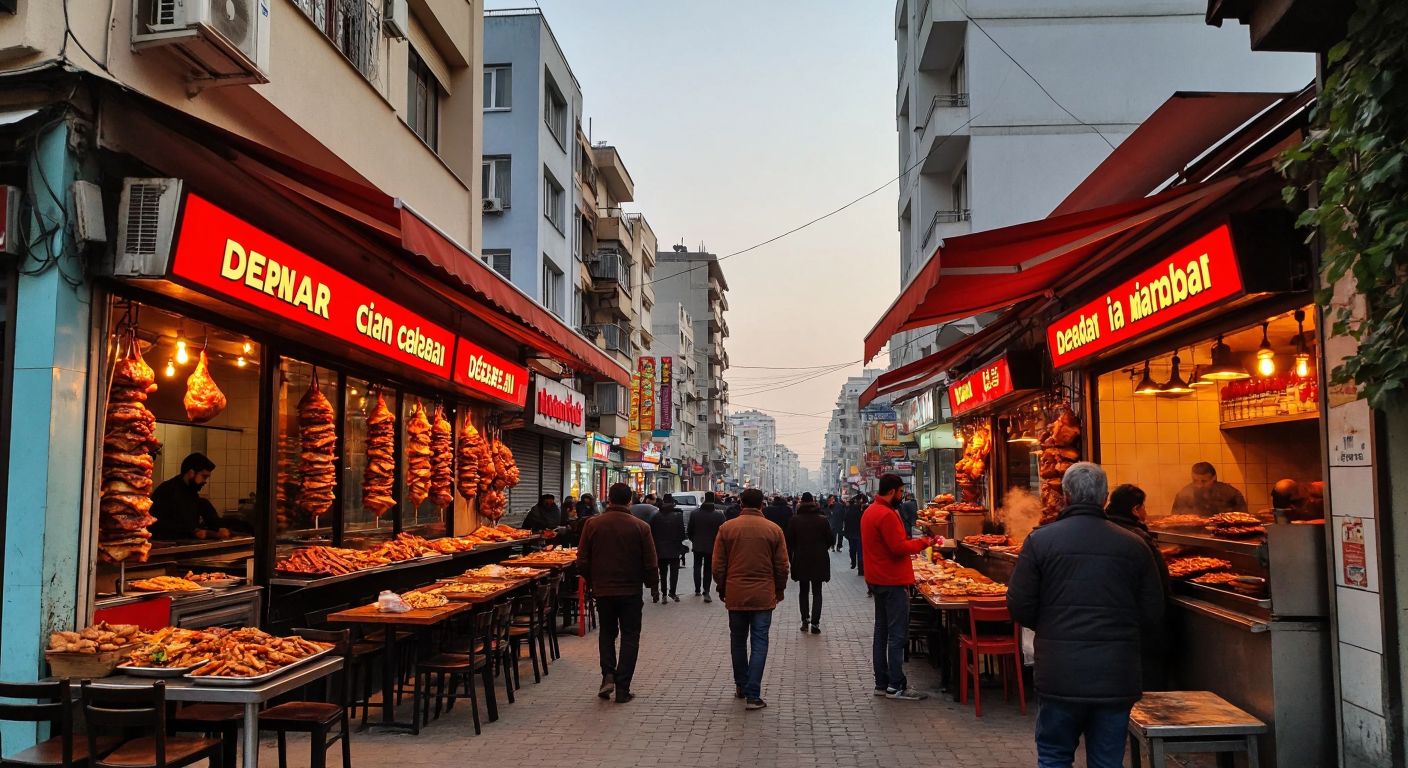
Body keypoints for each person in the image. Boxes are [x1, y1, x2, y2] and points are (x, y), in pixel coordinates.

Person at [1007, 463, 1165, 768]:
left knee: (1054, 756)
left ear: (1065, 496)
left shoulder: (1039, 541)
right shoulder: (1135, 545)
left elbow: (1019, 605)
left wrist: (1052, 626)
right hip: (1115, 674)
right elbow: (1152, 611)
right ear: (1104, 498)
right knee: (1107, 760)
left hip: (1059, 672)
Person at [576, 483, 660, 704]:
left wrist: (593, 581)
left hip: (603, 591)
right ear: (629, 501)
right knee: (630, 637)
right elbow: (651, 562)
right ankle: (623, 688)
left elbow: (582, 560)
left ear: (609, 499)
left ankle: (608, 675)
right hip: (631, 591)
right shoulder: (641, 527)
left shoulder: (593, 524)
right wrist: (653, 586)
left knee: (607, 633)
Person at [862, 474, 940, 700]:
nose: (902, 495)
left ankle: (882, 683)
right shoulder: (886, 514)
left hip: (877, 579)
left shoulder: (870, 511)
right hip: (892, 581)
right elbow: (898, 547)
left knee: (881, 632)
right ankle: (896, 685)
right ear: (893, 491)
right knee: (896, 635)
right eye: (900, 491)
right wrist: (927, 542)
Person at [713, 488, 789, 711]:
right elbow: (782, 566)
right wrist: (779, 589)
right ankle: (753, 695)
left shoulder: (727, 528)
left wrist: (722, 586)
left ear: (741, 503)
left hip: (735, 593)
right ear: (762, 505)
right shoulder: (773, 530)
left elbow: (718, 565)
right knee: (759, 642)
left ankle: (741, 685)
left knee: (737, 641)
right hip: (763, 595)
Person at [1104, 484, 1170, 691]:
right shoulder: (1138, 539)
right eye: (1143, 507)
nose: (1145, 512)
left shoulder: (1102, 531)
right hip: (1136, 626)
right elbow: (1158, 584)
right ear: (1135, 510)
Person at [149, 453, 227, 540]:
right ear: (191, 473)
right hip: (169, 545)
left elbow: (199, 515)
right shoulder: (167, 490)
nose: (205, 481)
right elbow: (156, 524)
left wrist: (219, 527)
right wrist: (193, 531)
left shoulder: (191, 492)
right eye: (204, 477)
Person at [785, 492, 833, 634]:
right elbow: (831, 540)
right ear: (813, 502)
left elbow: (789, 541)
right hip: (819, 559)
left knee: (803, 591)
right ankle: (816, 623)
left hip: (801, 558)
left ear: (801, 503)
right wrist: (822, 547)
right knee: (817, 592)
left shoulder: (795, 520)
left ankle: (805, 620)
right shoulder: (822, 520)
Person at [1170, 462, 1248, 517]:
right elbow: (1174, 518)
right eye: (1195, 481)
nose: (1199, 485)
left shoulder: (1231, 494)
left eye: (1204, 481)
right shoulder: (1184, 495)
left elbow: (1244, 518)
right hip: (1193, 536)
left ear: (1214, 478)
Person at [688, 492, 725, 602]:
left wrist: (694, 540)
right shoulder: (719, 515)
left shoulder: (695, 513)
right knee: (708, 569)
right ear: (713, 500)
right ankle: (707, 590)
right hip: (712, 547)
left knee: (697, 566)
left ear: (704, 499)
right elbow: (723, 532)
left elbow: (689, 530)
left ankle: (697, 589)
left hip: (698, 545)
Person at [650, 497, 687, 604]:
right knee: (674, 572)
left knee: (663, 573)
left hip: (660, 549)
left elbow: (652, 533)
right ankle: (672, 592)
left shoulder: (655, 516)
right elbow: (682, 534)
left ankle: (664, 594)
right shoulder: (678, 517)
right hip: (674, 548)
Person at [844, 495, 866, 574]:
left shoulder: (848, 512)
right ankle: (861, 569)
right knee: (860, 552)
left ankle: (853, 562)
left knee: (852, 550)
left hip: (851, 535)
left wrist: (845, 533)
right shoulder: (861, 513)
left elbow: (846, 524)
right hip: (859, 535)